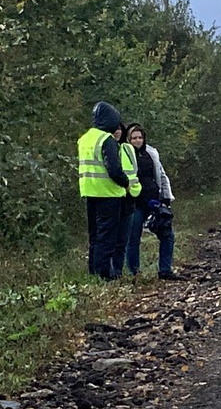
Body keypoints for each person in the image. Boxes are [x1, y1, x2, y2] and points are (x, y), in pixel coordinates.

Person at [76, 102, 134, 280]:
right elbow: (114, 169)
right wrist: (126, 182)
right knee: (107, 237)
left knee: (94, 236)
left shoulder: (84, 138)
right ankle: (104, 275)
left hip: (89, 191)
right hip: (108, 194)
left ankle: (93, 272)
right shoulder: (105, 140)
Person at [122, 124, 180, 280]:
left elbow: (161, 174)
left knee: (167, 235)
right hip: (135, 204)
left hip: (154, 202)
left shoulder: (151, 153)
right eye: (134, 138)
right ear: (128, 139)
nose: (137, 140)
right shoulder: (124, 155)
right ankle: (135, 273)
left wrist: (166, 197)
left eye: (140, 137)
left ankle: (165, 270)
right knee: (133, 239)